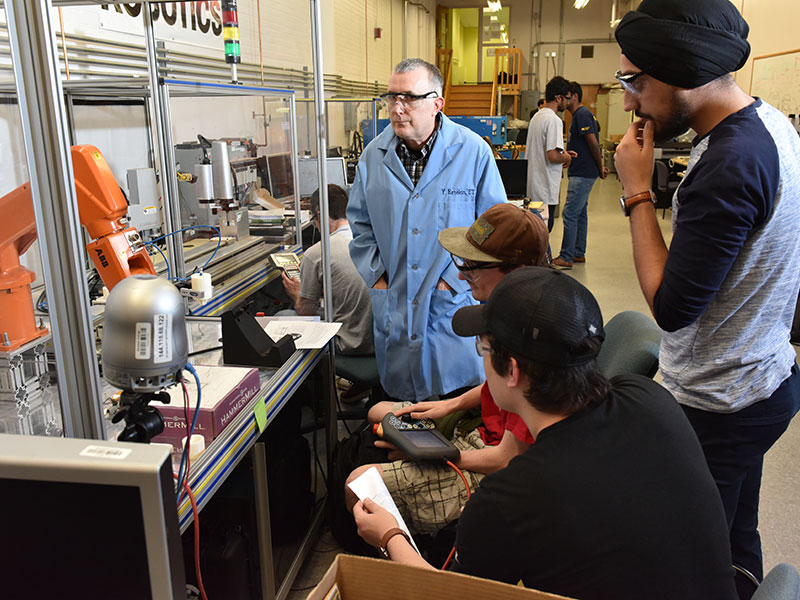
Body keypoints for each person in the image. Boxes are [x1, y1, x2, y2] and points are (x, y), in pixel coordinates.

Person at [352, 267, 737, 599]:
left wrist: (389, 536)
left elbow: (444, 594)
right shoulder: (648, 396)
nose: (482, 360)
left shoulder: (511, 499)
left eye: (483, 349)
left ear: (513, 371)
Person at [612, 1, 800, 596]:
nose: (628, 101)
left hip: (719, 404)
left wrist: (638, 192)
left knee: (686, 558)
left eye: (634, 82)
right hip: (760, 379)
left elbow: (671, 307)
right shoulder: (768, 124)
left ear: (678, 71)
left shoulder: (726, 162)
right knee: (733, 534)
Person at [345, 203, 549, 535]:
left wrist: (430, 456)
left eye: (474, 267)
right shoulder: (508, 308)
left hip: (496, 460)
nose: (462, 274)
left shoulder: (533, 340)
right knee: (379, 411)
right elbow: (498, 389)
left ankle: (391, 555)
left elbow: (507, 458)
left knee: (358, 483)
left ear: (517, 271)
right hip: (485, 432)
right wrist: (449, 405)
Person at [347, 58, 506, 402]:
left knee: (456, 414)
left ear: (437, 103)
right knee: (403, 415)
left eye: (409, 98)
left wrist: (456, 277)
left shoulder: (473, 152)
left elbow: (494, 227)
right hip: (396, 304)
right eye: (391, 97)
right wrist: (378, 278)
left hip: (453, 302)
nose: (397, 107)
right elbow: (360, 225)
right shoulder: (373, 157)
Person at [281, 184, 373, 355]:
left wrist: (296, 294)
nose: (316, 226)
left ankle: (312, 380)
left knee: (283, 314)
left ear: (319, 215)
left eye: (314, 220)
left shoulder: (317, 253)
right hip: (379, 342)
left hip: (349, 343)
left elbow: (305, 312)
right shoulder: (365, 240)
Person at [552, 81, 608, 269]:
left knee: (570, 214)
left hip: (584, 172)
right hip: (583, 170)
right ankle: (577, 253)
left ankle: (566, 256)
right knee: (581, 213)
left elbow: (592, 142)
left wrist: (600, 166)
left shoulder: (582, 114)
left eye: (567, 95)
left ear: (574, 96)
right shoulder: (578, 116)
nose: (564, 99)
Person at [525, 76, 576, 232]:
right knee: (543, 232)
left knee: (534, 232)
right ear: (558, 98)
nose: (568, 103)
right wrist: (567, 157)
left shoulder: (537, 116)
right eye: (567, 99)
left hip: (533, 187)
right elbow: (553, 156)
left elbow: (545, 148)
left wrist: (564, 153)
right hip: (545, 189)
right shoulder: (554, 120)